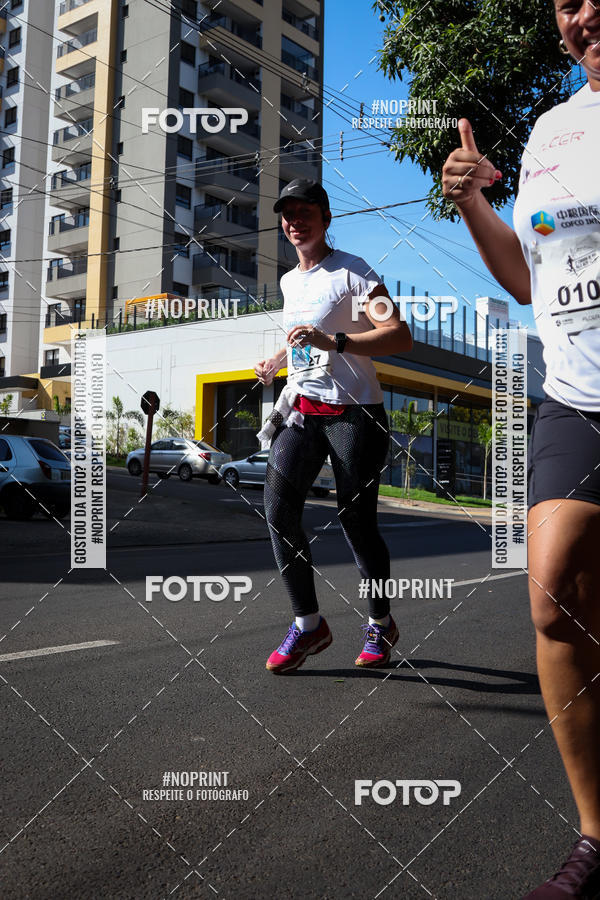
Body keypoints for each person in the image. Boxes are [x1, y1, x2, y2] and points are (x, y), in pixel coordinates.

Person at [442, 2, 600, 896]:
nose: (588, 13)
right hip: (576, 393)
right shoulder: (551, 129)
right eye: (570, 2)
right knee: (553, 595)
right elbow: (527, 277)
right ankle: (596, 835)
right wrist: (473, 201)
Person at [253, 177, 413, 674]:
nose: (295, 222)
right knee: (278, 509)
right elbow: (304, 338)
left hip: (355, 413)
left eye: (305, 212)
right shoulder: (289, 282)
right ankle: (308, 625)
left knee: (356, 520)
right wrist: (279, 359)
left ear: (326, 217)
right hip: (303, 411)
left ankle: (380, 622)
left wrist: (337, 342)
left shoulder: (354, 272)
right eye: (288, 215)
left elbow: (398, 335)